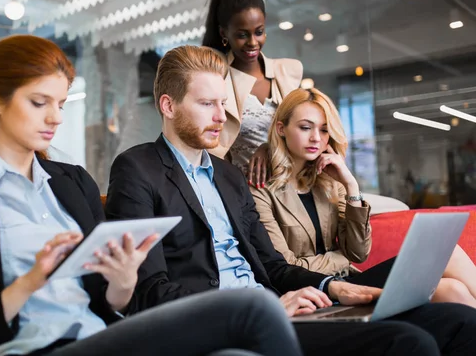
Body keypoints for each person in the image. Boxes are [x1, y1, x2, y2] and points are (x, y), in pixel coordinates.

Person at [0, 35, 303, 356]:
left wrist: (123, 279)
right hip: (35, 347)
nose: (56, 118)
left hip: (103, 337)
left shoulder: (71, 182)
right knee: (254, 308)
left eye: (61, 104)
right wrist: (30, 282)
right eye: (38, 102)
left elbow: (112, 303)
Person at [105, 44, 476, 356]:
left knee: (461, 321)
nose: (222, 117)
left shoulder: (229, 176)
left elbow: (273, 265)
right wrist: (259, 307)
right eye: (207, 104)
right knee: (411, 343)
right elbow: (150, 288)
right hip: (231, 320)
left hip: (279, 303)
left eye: (223, 103)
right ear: (168, 106)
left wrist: (329, 285)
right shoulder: (137, 170)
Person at [250, 86, 476, 308]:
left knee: (452, 288)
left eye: (325, 130)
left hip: (350, 281)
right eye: (305, 127)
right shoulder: (261, 190)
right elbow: (287, 266)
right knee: (446, 256)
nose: (316, 138)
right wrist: (341, 259)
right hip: (317, 290)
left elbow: (358, 253)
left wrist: (350, 185)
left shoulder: (330, 183)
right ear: (281, 128)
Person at [202, 0, 301, 187]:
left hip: (292, 189)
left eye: (259, 32)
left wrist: (270, 147)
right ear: (223, 33)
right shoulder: (216, 81)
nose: (253, 42)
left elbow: (307, 132)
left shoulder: (288, 74)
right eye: (242, 35)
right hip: (243, 194)